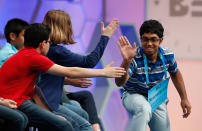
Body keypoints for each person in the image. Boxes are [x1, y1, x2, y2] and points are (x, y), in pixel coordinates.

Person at [0, 23, 125, 131]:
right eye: (49, 41)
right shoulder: (33, 57)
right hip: (15, 101)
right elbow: (71, 71)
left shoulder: (26, 54)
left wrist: (51, 113)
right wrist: (103, 72)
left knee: (70, 121)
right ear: (43, 44)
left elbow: (34, 90)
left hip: (22, 100)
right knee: (65, 125)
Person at [38, 10, 119, 131]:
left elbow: (47, 75)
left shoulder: (48, 49)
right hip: (47, 102)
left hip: (48, 99)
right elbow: (89, 62)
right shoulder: (57, 51)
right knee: (85, 126)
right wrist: (105, 37)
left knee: (84, 115)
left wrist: (67, 81)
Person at [115, 20, 191, 131]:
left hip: (155, 96)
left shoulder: (167, 55)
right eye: (145, 39)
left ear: (161, 40)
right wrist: (126, 60)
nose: (149, 43)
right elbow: (119, 83)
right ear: (141, 39)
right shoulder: (134, 56)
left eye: (153, 39)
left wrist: (184, 98)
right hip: (132, 94)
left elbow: (175, 73)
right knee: (144, 108)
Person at [0, 18, 29, 131]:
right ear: (13, 36)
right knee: (19, 118)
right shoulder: (8, 55)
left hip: (8, 97)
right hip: (9, 97)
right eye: (24, 36)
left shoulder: (16, 54)